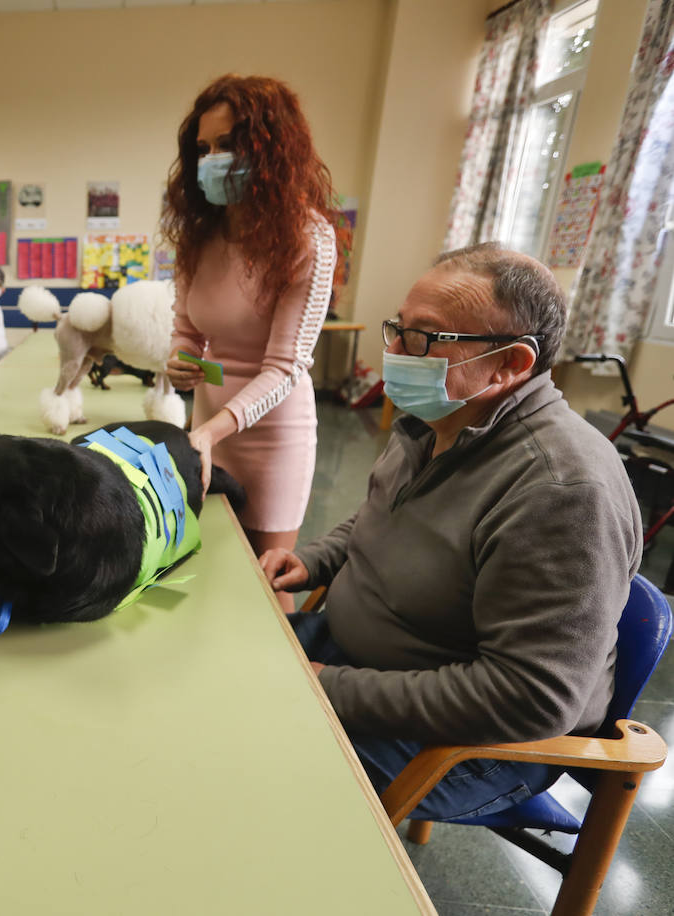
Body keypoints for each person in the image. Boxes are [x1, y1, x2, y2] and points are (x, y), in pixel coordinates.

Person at [259, 244, 642, 820]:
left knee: (253, 767)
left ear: (510, 365)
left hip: (474, 738)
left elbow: (531, 698)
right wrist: (315, 559)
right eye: (398, 329)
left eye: (423, 338)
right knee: (217, 672)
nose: (391, 353)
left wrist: (327, 685)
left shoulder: (562, 492)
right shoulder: (438, 416)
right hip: (362, 663)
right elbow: (387, 513)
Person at [160, 74, 338, 610]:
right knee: (208, 565)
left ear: (269, 149)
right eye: (204, 148)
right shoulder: (198, 234)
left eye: (229, 145)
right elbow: (188, 330)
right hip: (208, 428)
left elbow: (284, 368)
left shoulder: (310, 238)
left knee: (267, 588)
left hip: (272, 435)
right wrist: (180, 361)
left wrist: (211, 431)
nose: (213, 158)